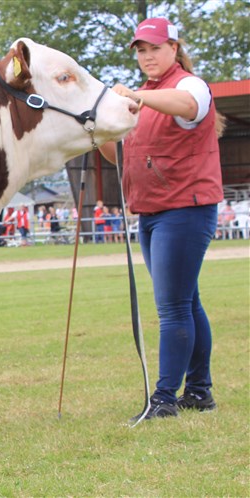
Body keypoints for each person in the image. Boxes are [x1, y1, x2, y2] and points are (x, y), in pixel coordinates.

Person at [100, 18, 222, 419]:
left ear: (173, 48)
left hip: (185, 208)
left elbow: (187, 107)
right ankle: (199, 391)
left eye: (154, 48)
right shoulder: (144, 97)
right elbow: (120, 155)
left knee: (172, 308)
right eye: (141, 50)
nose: (147, 56)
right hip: (152, 211)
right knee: (188, 302)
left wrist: (136, 96)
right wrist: (99, 132)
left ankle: (165, 399)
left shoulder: (189, 85)